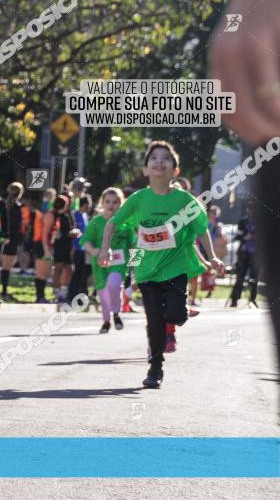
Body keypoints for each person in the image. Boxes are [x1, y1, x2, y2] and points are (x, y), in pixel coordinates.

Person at [99, 141, 224, 389]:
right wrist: (105, 248)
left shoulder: (184, 201)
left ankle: (176, 315)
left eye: (166, 158)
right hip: (147, 271)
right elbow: (112, 223)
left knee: (177, 315)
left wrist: (212, 257)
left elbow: (201, 230)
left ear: (174, 170)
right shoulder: (138, 199)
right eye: (153, 158)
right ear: (145, 169)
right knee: (154, 321)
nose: (159, 161)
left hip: (176, 269)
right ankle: (155, 368)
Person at [82, 188, 136, 333]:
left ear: (121, 204)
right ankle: (106, 321)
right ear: (102, 203)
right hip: (100, 263)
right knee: (103, 293)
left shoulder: (126, 223)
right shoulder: (96, 222)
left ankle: (116, 312)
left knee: (114, 285)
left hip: (119, 263)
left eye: (115, 202)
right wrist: (94, 251)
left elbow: (134, 244)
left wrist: (135, 265)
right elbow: (86, 241)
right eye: (108, 202)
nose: (111, 205)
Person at [43, 194, 79, 305]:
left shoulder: (69, 214)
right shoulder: (54, 214)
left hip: (67, 245)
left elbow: (73, 227)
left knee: (69, 269)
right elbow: (50, 232)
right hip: (58, 245)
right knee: (58, 268)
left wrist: (74, 233)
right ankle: (57, 293)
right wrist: (48, 248)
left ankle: (63, 292)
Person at [230, 202, 259, 308]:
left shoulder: (260, 222)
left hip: (256, 254)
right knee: (240, 277)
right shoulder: (242, 222)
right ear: (247, 210)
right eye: (250, 209)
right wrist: (246, 236)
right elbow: (238, 236)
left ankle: (253, 299)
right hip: (244, 253)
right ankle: (234, 299)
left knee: (254, 278)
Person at [0, 182, 24, 299]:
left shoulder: (4, 204)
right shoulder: (16, 206)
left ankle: (0, 289)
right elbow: (17, 225)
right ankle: (4, 290)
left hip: (5, 237)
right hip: (12, 238)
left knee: (3, 265)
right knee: (7, 266)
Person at [68, 194, 92, 300]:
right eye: (88, 203)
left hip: (84, 249)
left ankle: (80, 294)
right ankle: (72, 294)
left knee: (82, 273)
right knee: (76, 273)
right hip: (76, 248)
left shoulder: (85, 216)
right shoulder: (75, 215)